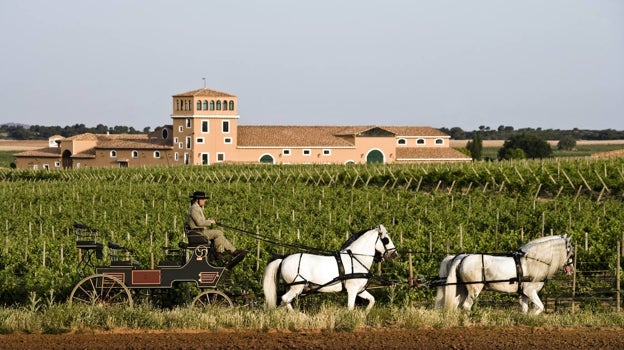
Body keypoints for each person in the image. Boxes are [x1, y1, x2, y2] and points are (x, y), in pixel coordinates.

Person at [186, 191, 247, 261]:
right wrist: (210, 222)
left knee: (220, 235)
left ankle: (232, 252)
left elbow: (200, 221)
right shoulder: (194, 209)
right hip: (199, 233)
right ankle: (222, 252)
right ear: (197, 200)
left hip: (200, 231)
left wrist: (208, 220)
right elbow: (200, 223)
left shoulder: (196, 208)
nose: (204, 201)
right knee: (218, 233)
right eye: (203, 199)